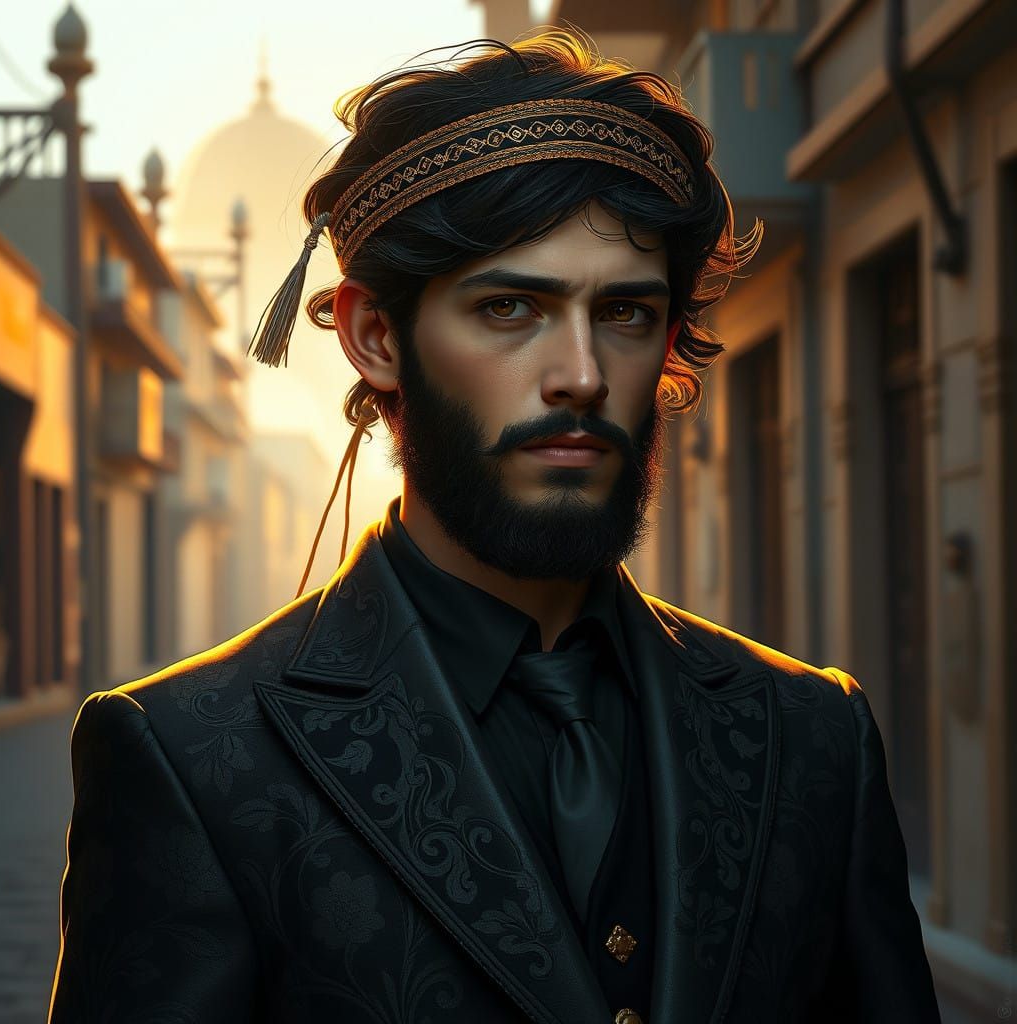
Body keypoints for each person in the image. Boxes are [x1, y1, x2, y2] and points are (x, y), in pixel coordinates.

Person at [48, 30, 942, 1024]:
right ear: (376, 336)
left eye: (626, 313)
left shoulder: (814, 735)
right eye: (511, 306)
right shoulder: (188, 756)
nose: (582, 373)